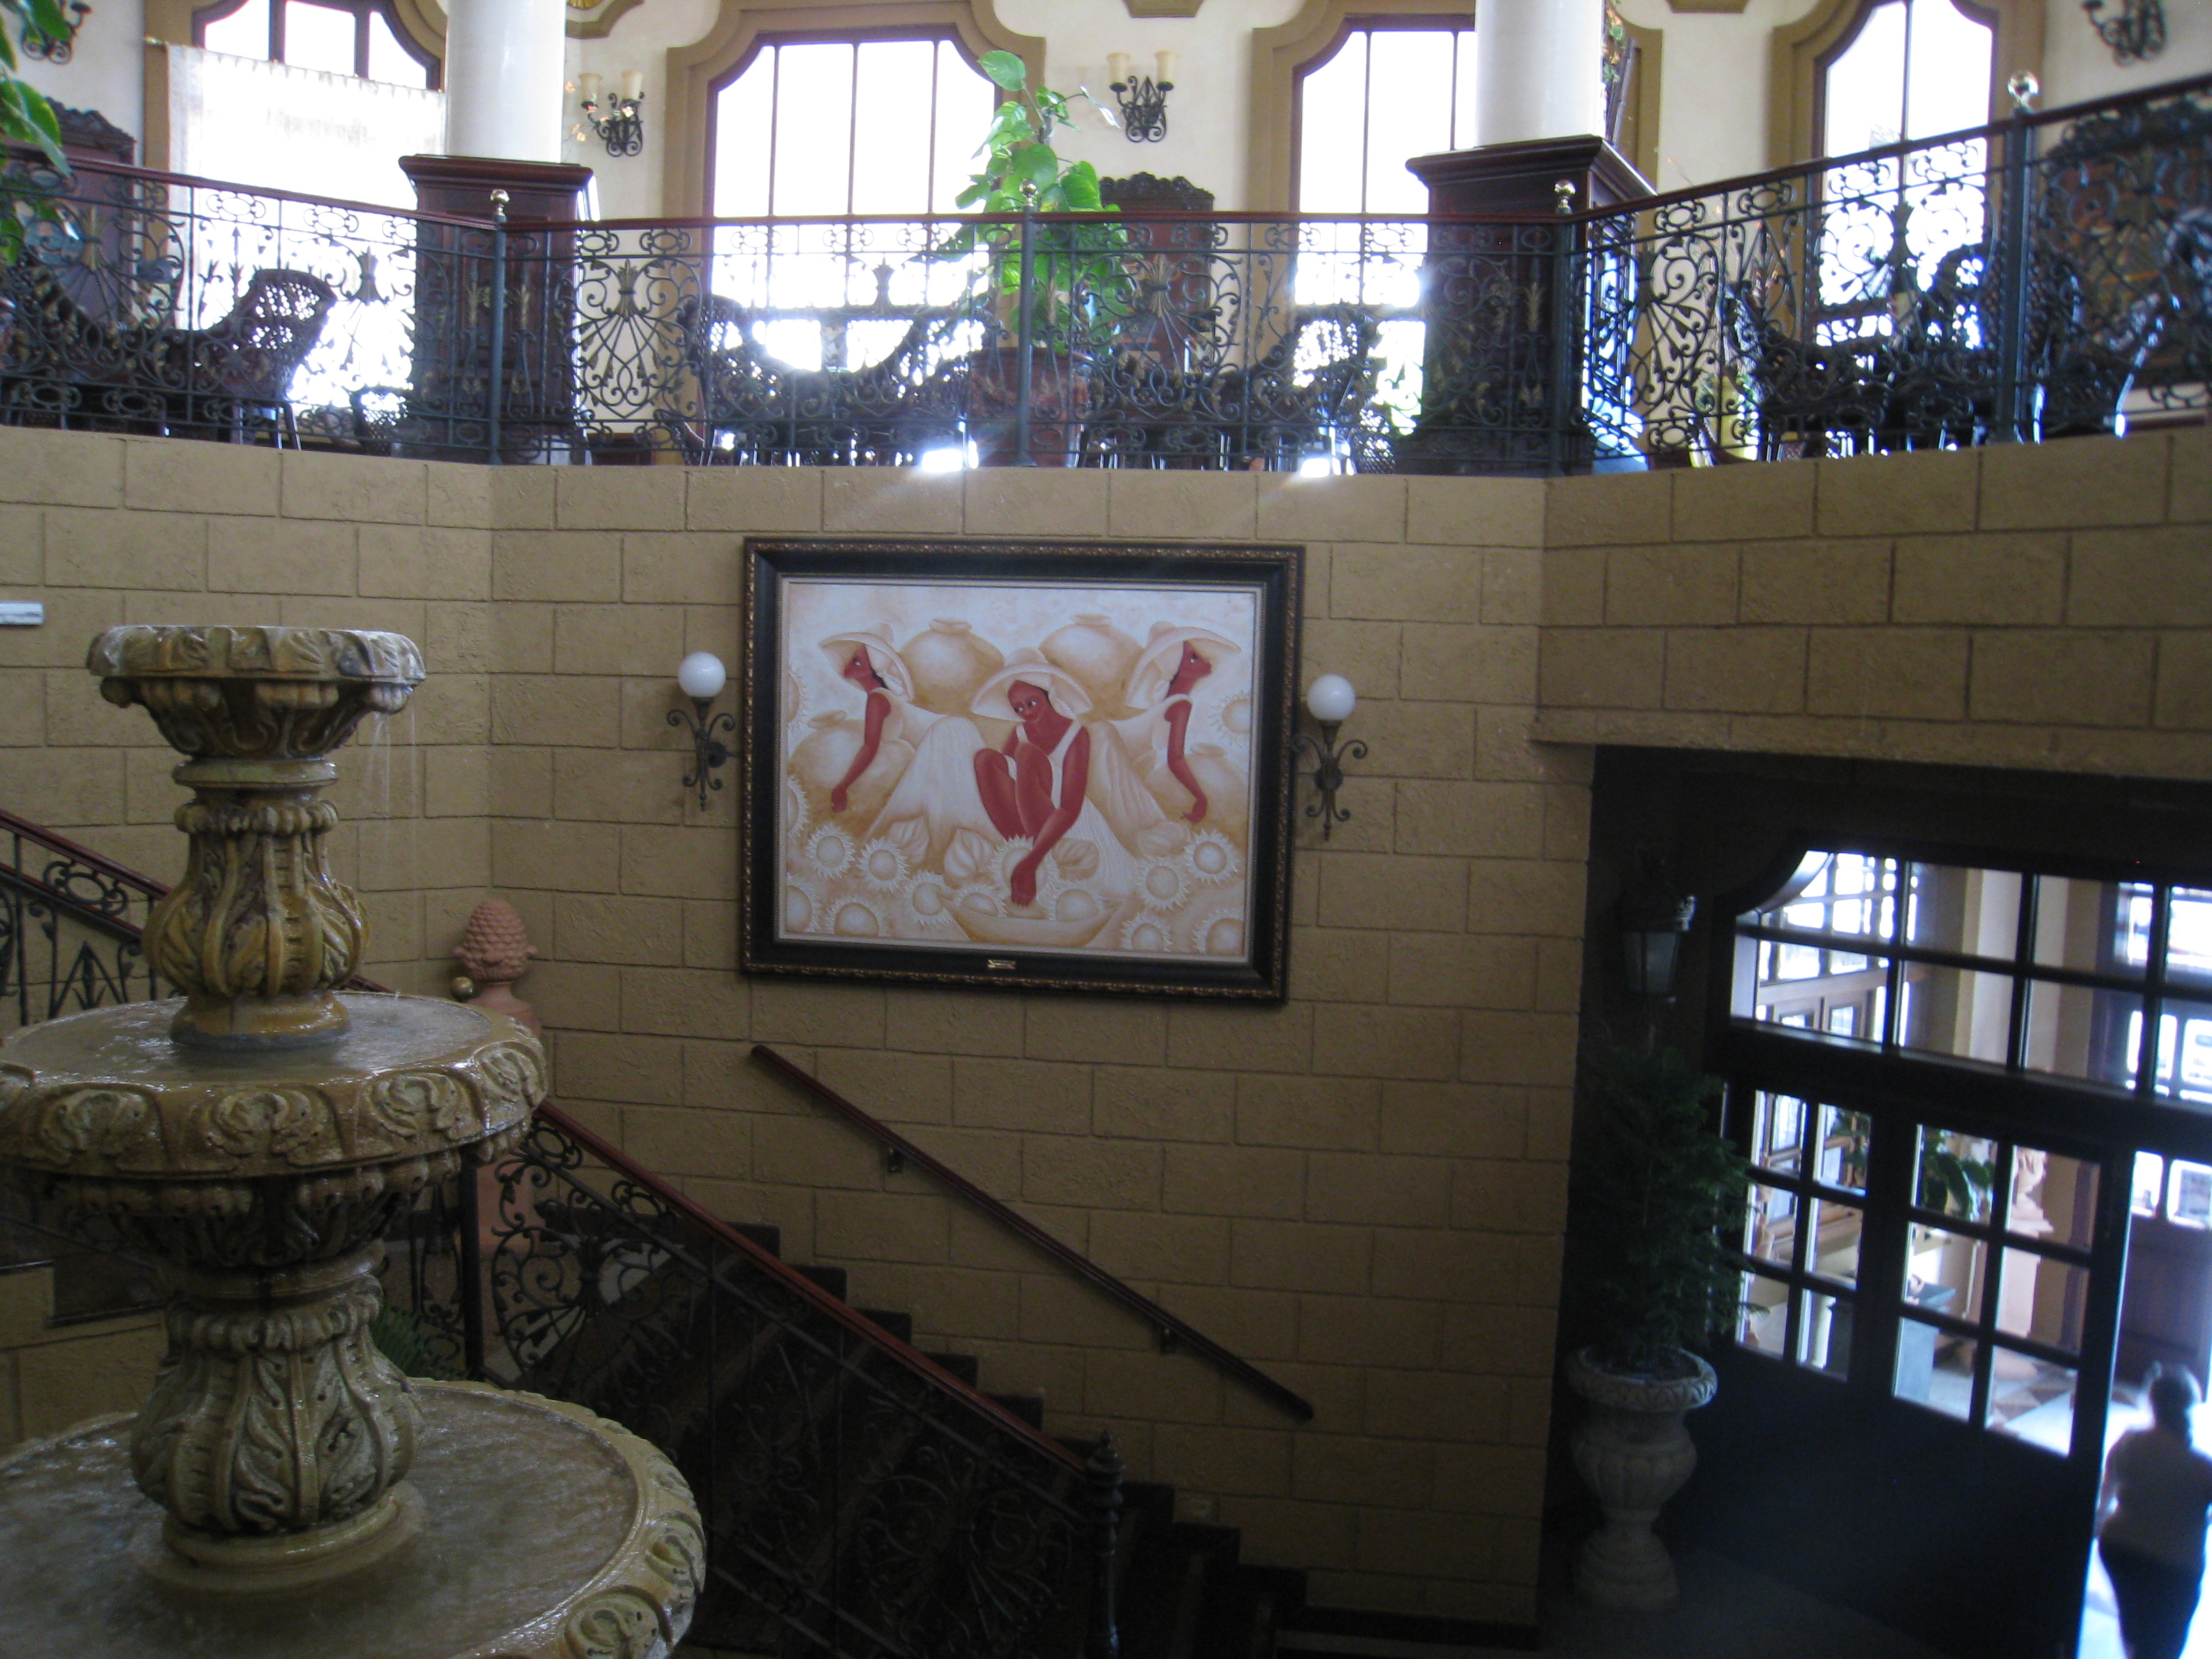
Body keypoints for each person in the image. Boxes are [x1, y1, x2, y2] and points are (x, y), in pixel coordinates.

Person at [2100, 1364, 2212, 1659]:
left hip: (2120, 1548)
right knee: (2165, 1641)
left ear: (2152, 1403)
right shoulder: (2201, 1466)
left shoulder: (2129, 1441)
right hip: (2175, 1565)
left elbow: (2105, 1496)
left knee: (2134, 1623)